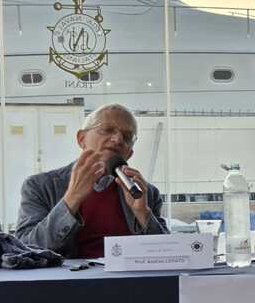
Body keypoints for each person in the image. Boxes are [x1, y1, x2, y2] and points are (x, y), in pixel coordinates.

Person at [16, 103, 167, 258]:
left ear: (129, 153)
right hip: (69, 273)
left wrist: (143, 213)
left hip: (129, 274)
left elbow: (167, 253)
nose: (118, 139)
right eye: (107, 130)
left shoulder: (145, 193)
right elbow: (23, 250)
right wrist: (71, 199)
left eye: (127, 137)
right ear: (82, 139)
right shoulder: (40, 186)